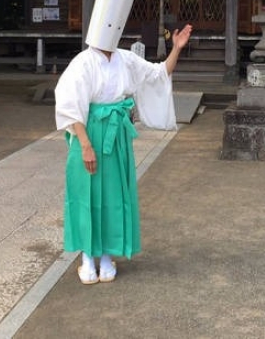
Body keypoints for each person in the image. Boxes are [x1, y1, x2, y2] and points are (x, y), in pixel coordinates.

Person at [55, 24, 193, 284]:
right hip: (89, 130)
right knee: (85, 191)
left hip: (116, 133)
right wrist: (85, 145)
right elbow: (70, 105)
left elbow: (158, 73)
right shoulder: (83, 62)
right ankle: (87, 256)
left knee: (114, 193)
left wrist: (176, 48)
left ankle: (107, 256)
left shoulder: (125, 58)